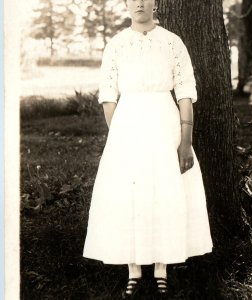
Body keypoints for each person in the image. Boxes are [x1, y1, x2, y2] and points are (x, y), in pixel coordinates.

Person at [83, 0, 213, 298]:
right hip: (128, 124)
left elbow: (185, 90)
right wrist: (118, 135)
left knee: (164, 190)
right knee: (130, 192)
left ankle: (161, 267)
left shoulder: (172, 42)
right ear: (127, 4)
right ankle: (133, 270)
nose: (140, 3)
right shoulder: (116, 44)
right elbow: (108, 92)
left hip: (164, 123)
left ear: (155, 3)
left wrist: (185, 140)